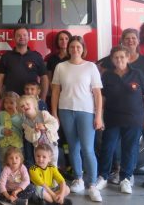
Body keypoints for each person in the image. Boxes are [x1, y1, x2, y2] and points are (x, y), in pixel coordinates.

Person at [50, 35, 103, 202]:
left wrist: (98, 115)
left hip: (86, 112)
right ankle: (78, 178)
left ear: (83, 49)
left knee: (87, 148)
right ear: (68, 48)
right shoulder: (61, 67)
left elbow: (97, 94)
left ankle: (92, 184)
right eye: (72, 46)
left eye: (78, 47)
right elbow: (56, 92)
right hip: (66, 111)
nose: (74, 49)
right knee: (73, 146)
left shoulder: (91, 67)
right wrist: (54, 114)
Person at [96, 46, 144, 194]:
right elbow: (103, 98)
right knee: (108, 147)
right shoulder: (107, 76)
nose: (119, 60)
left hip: (134, 119)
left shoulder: (138, 74)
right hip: (112, 118)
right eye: (116, 57)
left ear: (127, 58)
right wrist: (99, 116)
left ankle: (126, 179)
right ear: (112, 60)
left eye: (122, 57)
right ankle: (103, 177)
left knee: (130, 149)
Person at [0, 26, 49, 103]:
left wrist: (43, 99)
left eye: (24, 35)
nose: (22, 37)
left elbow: (44, 78)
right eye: (18, 35)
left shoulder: (36, 56)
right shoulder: (6, 56)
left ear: (28, 37)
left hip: (31, 101)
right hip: (12, 100)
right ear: (14, 38)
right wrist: (1, 97)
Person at [20, 94, 59, 166]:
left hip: (51, 145)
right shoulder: (25, 123)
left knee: (53, 165)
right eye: (22, 106)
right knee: (40, 165)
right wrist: (36, 131)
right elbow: (29, 138)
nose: (25, 106)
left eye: (27, 104)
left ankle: (53, 177)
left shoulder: (43, 114)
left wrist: (45, 126)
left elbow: (55, 124)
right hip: (38, 148)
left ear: (34, 105)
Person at [0, 92, 23, 164]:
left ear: (17, 104)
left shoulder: (20, 115)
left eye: (11, 103)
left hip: (17, 144)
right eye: (6, 103)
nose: (8, 105)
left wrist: (15, 114)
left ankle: (17, 175)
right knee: (4, 162)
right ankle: (5, 175)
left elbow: (21, 125)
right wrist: (2, 130)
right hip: (4, 144)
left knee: (18, 162)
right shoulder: (1, 114)